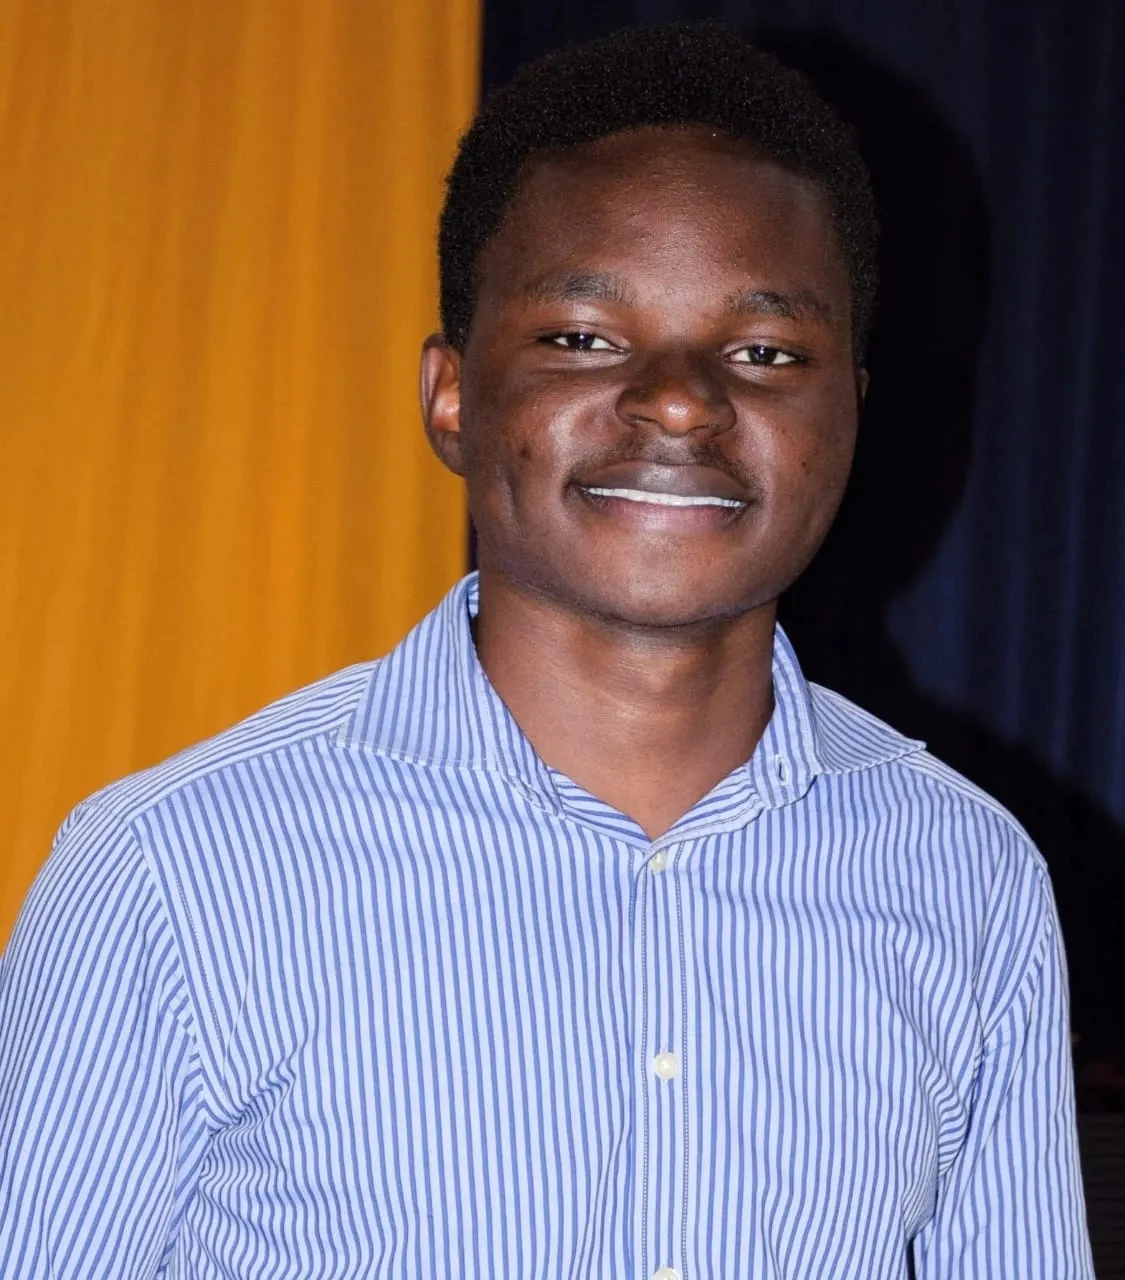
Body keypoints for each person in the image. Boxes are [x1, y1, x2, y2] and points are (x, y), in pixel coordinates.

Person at [0, 21, 1094, 1279]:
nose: (680, 399)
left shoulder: (968, 880)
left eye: (765, 351)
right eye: (583, 335)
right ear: (451, 395)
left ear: (848, 408)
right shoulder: (173, 876)